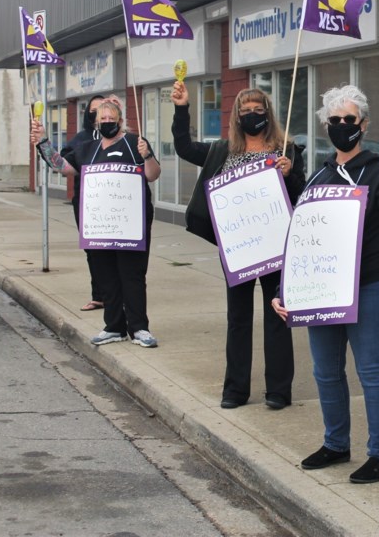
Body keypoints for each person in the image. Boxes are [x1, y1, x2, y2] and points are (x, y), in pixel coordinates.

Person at [272, 84, 379, 484]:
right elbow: (302, 237)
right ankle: (336, 443)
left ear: (364, 124)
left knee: (373, 372)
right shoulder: (319, 175)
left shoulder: (376, 167)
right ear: (325, 127)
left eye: (349, 119)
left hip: (368, 287)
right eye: (333, 121)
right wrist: (286, 290)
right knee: (326, 372)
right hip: (322, 289)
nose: (341, 126)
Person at [171, 81, 305, 410]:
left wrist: (290, 175)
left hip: (276, 248)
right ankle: (235, 389)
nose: (253, 116)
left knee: (277, 315)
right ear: (236, 117)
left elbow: (300, 196)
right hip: (239, 248)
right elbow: (185, 147)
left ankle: (278, 390)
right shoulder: (222, 151)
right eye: (246, 111)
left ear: (268, 114)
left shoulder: (286, 150)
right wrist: (181, 108)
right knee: (238, 318)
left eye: (259, 110)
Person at [31, 95, 162, 348]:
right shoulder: (87, 150)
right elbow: (60, 165)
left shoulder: (136, 143)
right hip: (100, 225)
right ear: (96, 122)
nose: (107, 122)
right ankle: (114, 327)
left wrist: (148, 156)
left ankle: (139, 328)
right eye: (102, 119)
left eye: (111, 119)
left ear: (120, 121)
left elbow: (153, 175)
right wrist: (43, 142)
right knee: (106, 276)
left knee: (132, 275)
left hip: (131, 225)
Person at [63, 94, 105, 312]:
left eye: (103, 109)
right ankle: (98, 296)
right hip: (86, 201)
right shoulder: (81, 139)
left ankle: (116, 295)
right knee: (92, 250)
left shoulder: (122, 138)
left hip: (115, 204)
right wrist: (42, 143)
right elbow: (62, 163)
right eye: (94, 110)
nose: (98, 114)